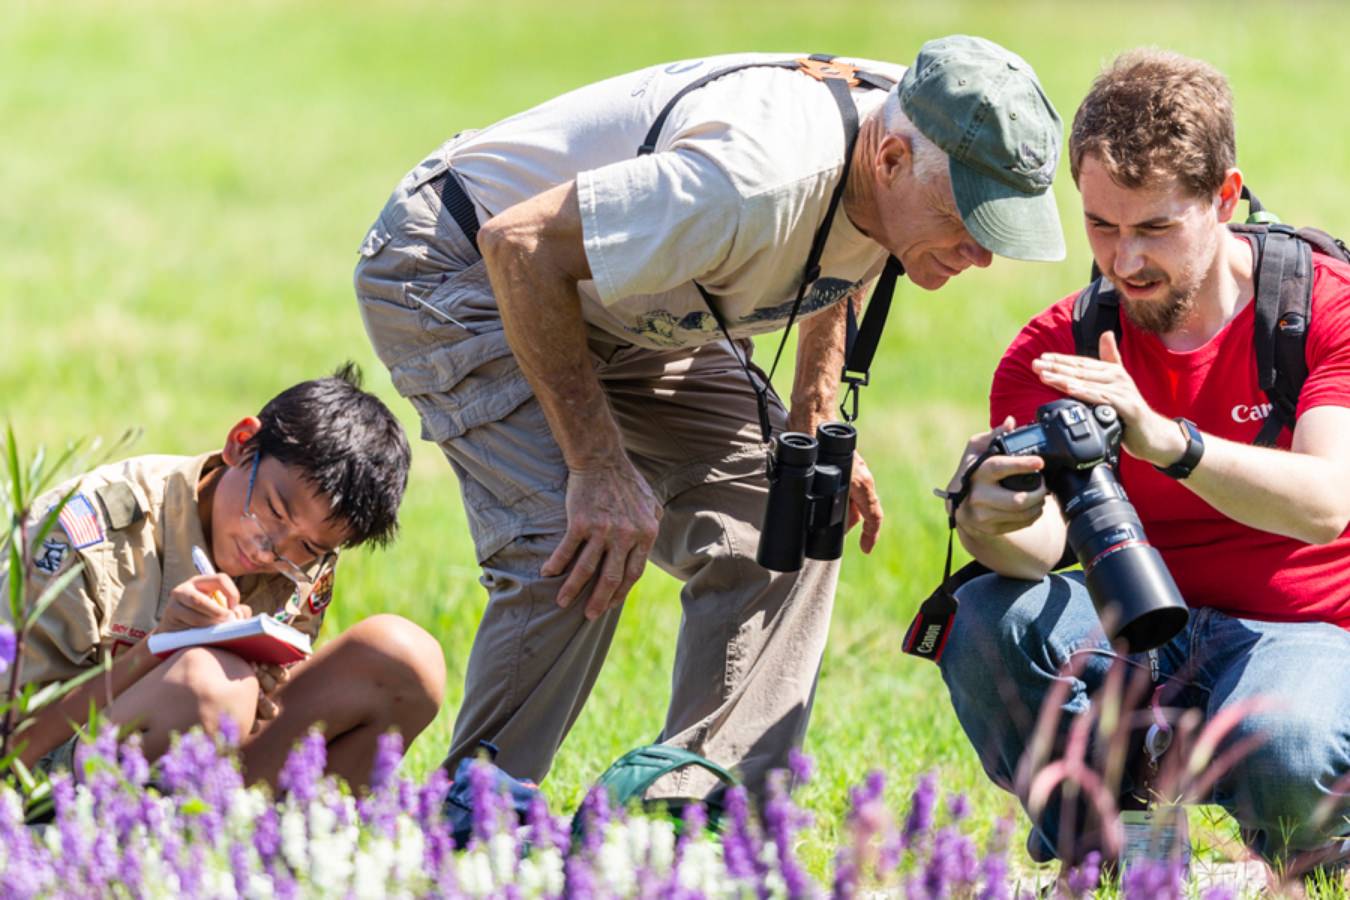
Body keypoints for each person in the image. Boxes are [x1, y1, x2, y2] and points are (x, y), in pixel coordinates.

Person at [355, 36, 1066, 797]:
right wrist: (596, 467)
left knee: (789, 510)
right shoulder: (752, 178)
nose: (984, 255)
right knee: (576, 534)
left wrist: (809, 422)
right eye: (971, 220)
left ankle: (701, 804)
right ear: (888, 160)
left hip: (627, 291)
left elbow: (846, 241)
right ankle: (474, 817)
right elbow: (521, 245)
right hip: (458, 262)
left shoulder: (919, 133)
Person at [939, 49, 1350, 867]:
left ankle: (1317, 846)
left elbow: (1326, 502)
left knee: (1285, 743)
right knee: (986, 617)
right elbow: (1040, 549)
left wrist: (1169, 441)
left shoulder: (1322, 309)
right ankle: (1120, 847)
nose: (1125, 261)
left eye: (1155, 227)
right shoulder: (1058, 347)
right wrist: (988, 516)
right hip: (1132, 629)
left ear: (1225, 197)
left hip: (1305, 633)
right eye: (1102, 226)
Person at [6, 364, 447, 790]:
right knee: (211, 681)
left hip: (213, 769)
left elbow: (259, 708)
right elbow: (12, 748)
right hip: (55, 780)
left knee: (404, 660)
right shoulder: (84, 534)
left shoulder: (305, 565)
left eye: (309, 547)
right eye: (274, 510)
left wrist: (267, 690)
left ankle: (292, 850)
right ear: (241, 444)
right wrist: (157, 648)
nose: (269, 549)